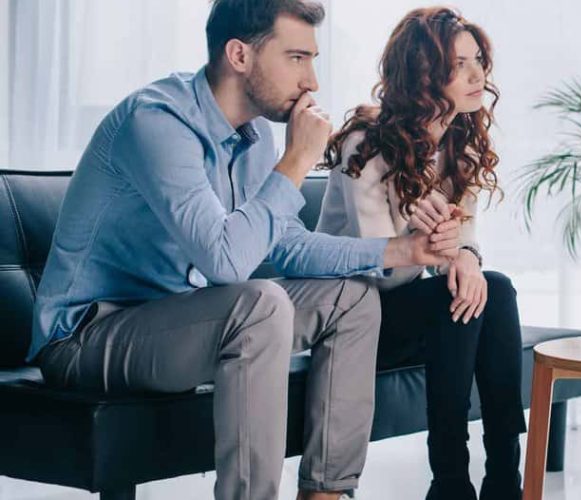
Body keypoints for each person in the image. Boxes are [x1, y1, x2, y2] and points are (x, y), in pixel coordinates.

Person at [27, 1, 461, 498]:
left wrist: (405, 250)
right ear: (239, 54)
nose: (312, 81)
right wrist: (298, 158)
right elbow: (227, 261)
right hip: (88, 335)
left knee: (352, 298)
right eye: (297, 58)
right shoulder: (158, 123)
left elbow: (287, 246)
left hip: (176, 320)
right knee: (259, 303)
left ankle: (326, 492)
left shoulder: (251, 136)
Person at [317, 7, 525, 500]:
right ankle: (451, 479)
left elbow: (464, 241)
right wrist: (436, 248)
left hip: (413, 308)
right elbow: (382, 273)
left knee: (495, 289)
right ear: (426, 74)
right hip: (353, 314)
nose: (478, 75)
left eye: (479, 60)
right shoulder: (363, 147)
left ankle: (502, 480)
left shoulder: (460, 146)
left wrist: (465, 256)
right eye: (460, 64)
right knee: (456, 301)